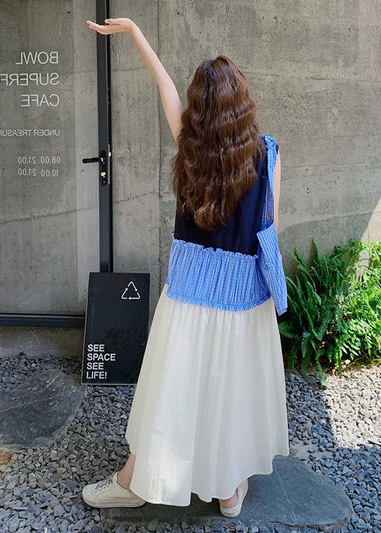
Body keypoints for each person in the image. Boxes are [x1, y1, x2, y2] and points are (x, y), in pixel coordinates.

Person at [83, 17, 289, 518]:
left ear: (199, 109)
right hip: (244, 298)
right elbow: (270, 227)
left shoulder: (190, 148)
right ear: (243, 103)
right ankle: (228, 491)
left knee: (171, 391)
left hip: (190, 292)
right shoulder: (267, 155)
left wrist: (136, 33)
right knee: (232, 393)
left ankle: (134, 480)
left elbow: (165, 86)